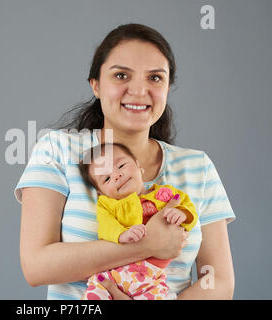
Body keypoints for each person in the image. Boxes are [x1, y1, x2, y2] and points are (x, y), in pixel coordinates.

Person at [15, 23, 235, 300]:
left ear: (168, 88)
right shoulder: (57, 150)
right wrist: (147, 244)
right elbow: (36, 266)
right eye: (121, 75)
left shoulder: (197, 167)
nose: (140, 91)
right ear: (95, 85)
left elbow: (219, 282)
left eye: (155, 78)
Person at [79, 142, 198, 300]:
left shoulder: (165, 193)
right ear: (102, 192)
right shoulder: (108, 205)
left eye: (121, 165)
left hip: (151, 277)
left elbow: (188, 207)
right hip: (115, 273)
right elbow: (106, 225)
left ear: (139, 165)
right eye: (106, 178)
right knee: (95, 293)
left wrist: (182, 213)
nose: (116, 175)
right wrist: (122, 234)